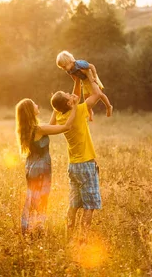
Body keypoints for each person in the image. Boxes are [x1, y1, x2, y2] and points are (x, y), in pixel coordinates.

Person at [49, 76, 102, 243]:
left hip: (73, 166)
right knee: (89, 206)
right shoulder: (79, 111)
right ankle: (83, 240)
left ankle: (68, 237)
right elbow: (97, 94)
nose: (70, 94)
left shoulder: (61, 116)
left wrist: (77, 81)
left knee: (73, 205)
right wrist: (90, 78)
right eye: (67, 95)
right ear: (69, 104)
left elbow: (73, 96)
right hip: (86, 164)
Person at [15, 98, 77, 235]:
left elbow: (50, 126)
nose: (37, 105)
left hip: (32, 167)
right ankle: (37, 229)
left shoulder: (31, 129)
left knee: (33, 197)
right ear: (30, 111)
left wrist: (55, 111)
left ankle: (30, 228)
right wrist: (75, 108)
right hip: (41, 169)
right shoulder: (38, 129)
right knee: (41, 198)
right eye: (34, 104)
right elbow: (66, 127)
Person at [55, 50, 113, 121]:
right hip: (84, 81)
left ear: (70, 61)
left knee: (100, 94)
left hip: (91, 77)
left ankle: (108, 106)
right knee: (86, 97)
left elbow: (91, 66)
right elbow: (74, 77)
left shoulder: (79, 64)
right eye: (62, 68)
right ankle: (90, 113)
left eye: (64, 66)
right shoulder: (68, 70)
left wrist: (94, 77)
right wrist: (78, 83)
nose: (63, 69)